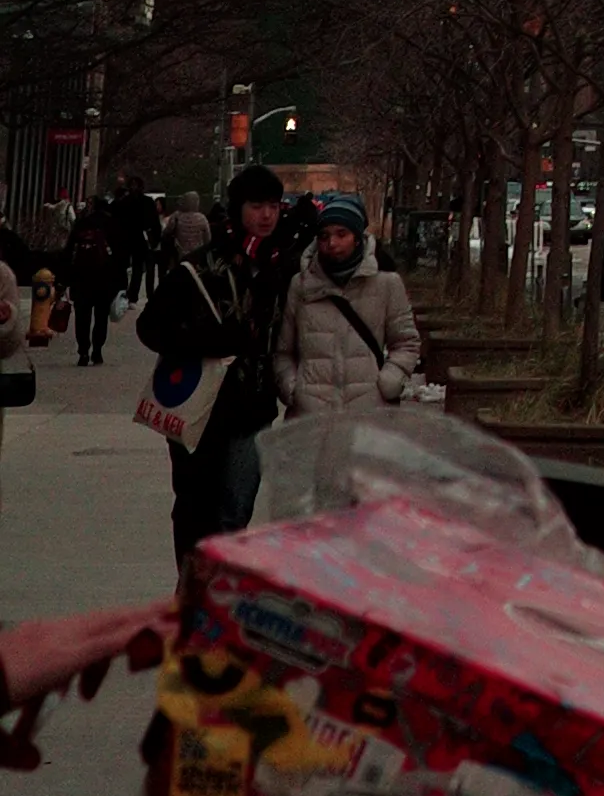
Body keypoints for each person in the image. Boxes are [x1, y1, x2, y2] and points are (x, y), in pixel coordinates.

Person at [136, 167, 308, 566]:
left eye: (273, 206)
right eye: (256, 206)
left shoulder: (283, 267)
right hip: (200, 408)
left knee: (235, 514)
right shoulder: (200, 268)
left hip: (254, 409)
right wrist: (206, 344)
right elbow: (150, 327)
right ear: (237, 208)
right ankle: (194, 593)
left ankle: (220, 601)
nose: (267, 215)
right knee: (195, 509)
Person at [274, 193, 422, 423]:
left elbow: (406, 341)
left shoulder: (387, 283)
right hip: (310, 417)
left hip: (367, 415)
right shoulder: (301, 285)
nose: (331, 243)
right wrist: (292, 388)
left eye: (341, 234)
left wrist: (390, 381)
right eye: (324, 236)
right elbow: (283, 351)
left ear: (357, 237)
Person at [59, 200, 119, 363]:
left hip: (81, 276)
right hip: (104, 278)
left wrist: (64, 279)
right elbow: (119, 255)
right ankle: (97, 350)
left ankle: (83, 350)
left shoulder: (81, 224)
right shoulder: (111, 224)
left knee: (82, 315)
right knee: (101, 316)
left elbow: (69, 252)